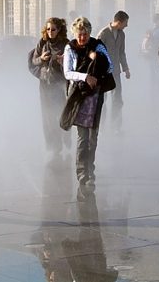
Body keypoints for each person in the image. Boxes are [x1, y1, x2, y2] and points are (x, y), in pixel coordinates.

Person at [62, 16, 112, 191]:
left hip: (96, 96)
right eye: (79, 34)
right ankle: (83, 173)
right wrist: (85, 76)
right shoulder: (70, 48)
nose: (82, 37)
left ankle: (91, 169)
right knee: (83, 137)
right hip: (79, 95)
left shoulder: (98, 46)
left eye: (85, 34)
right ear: (74, 33)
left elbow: (110, 66)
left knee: (93, 137)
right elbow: (68, 73)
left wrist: (96, 57)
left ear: (89, 33)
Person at [28, 17, 71, 160]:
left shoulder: (66, 44)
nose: (50, 32)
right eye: (48, 29)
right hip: (45, 84)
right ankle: (54, 146)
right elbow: (34, 61)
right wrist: (42, 59)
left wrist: (62, 61)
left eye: (53, 29)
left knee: (62, 114)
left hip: (60, 84)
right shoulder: (42, 43)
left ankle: (66, 138)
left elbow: (73, 64)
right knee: (47, 117)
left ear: (59, 30)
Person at [96, 10, 129, 133]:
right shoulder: (103, 33)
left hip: (116, 73)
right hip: (103, 73)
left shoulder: (121, 35)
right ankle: (101, 126)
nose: (127, 25)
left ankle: (116, 127)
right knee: (102, 101)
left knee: (117, 100)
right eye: (125, 23)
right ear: (119, 22)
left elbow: (121, 52)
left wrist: (125, 68)